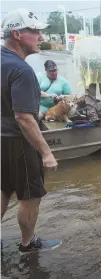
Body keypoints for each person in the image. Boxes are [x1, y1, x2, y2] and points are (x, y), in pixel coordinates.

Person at [1, 8, 62, 253]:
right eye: (34, 31)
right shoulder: (23, 70)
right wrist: (46, 152)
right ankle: (27, 243)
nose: (40, 36)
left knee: (4, 188)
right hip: (19, 141)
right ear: (17, 34)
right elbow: (24, 118)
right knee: (30, 196)